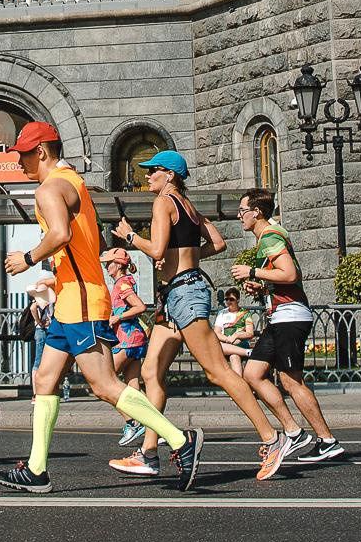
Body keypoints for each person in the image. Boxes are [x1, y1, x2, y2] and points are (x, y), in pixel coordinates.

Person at [0, 122, 201, 494]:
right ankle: (38, 470)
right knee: (44, 379)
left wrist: (27, 258)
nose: (19, 161)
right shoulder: (71, 178)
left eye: (22, 154)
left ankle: (180, 441)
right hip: (72, 298)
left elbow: (60, 235)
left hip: (83, 300)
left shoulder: (49, 188)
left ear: (40, 152)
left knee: (105, 385)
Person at [109, 149, 287, 483]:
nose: (147, 176)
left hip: (184, 295)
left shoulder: (163, 203)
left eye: (153, 171)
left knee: (218, 371)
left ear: (170, 175)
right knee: (150, 371)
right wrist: (185, 259)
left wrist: (130, 236)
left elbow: (157, 250)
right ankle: (148, 454)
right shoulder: (189, 207)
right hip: (177, 294)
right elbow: (217, 243)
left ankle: (272, 439)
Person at [233, 189, 344, 462]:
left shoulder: (270, 236)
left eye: (242, 211)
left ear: (256, 212)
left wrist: (252, 271)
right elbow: (285, 276)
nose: (239, 216)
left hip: (290, 317)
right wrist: (263, 287)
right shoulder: (268, 236)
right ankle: (294, 432)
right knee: (253, 374)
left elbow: (291, 274)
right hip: (280, 315)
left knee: (291, 381)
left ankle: (326, 440)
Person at [104, 247, 149, 447]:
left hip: (127, 339)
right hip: (135, 339)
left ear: (119, 265)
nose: (106, 266)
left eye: (109, 263)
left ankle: (132, 423)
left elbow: (140, 306)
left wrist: (117, 317)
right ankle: (154, 425)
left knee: (106, 382)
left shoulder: (122, 284)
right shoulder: (123, 282)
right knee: (133, 386)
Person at [212, 289, 256, 376]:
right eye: (226, 299)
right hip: (226, 343)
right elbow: (216, 332)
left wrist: (236, 335)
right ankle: (247, 352)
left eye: (231, 299)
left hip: (240, 342)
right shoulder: (222, 313)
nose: (228, 302)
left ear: (238, 300)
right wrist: (228, 339)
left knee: (232, 355)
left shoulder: (245, 313)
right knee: (232, 355)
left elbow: (250, 333)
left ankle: (238, 387)